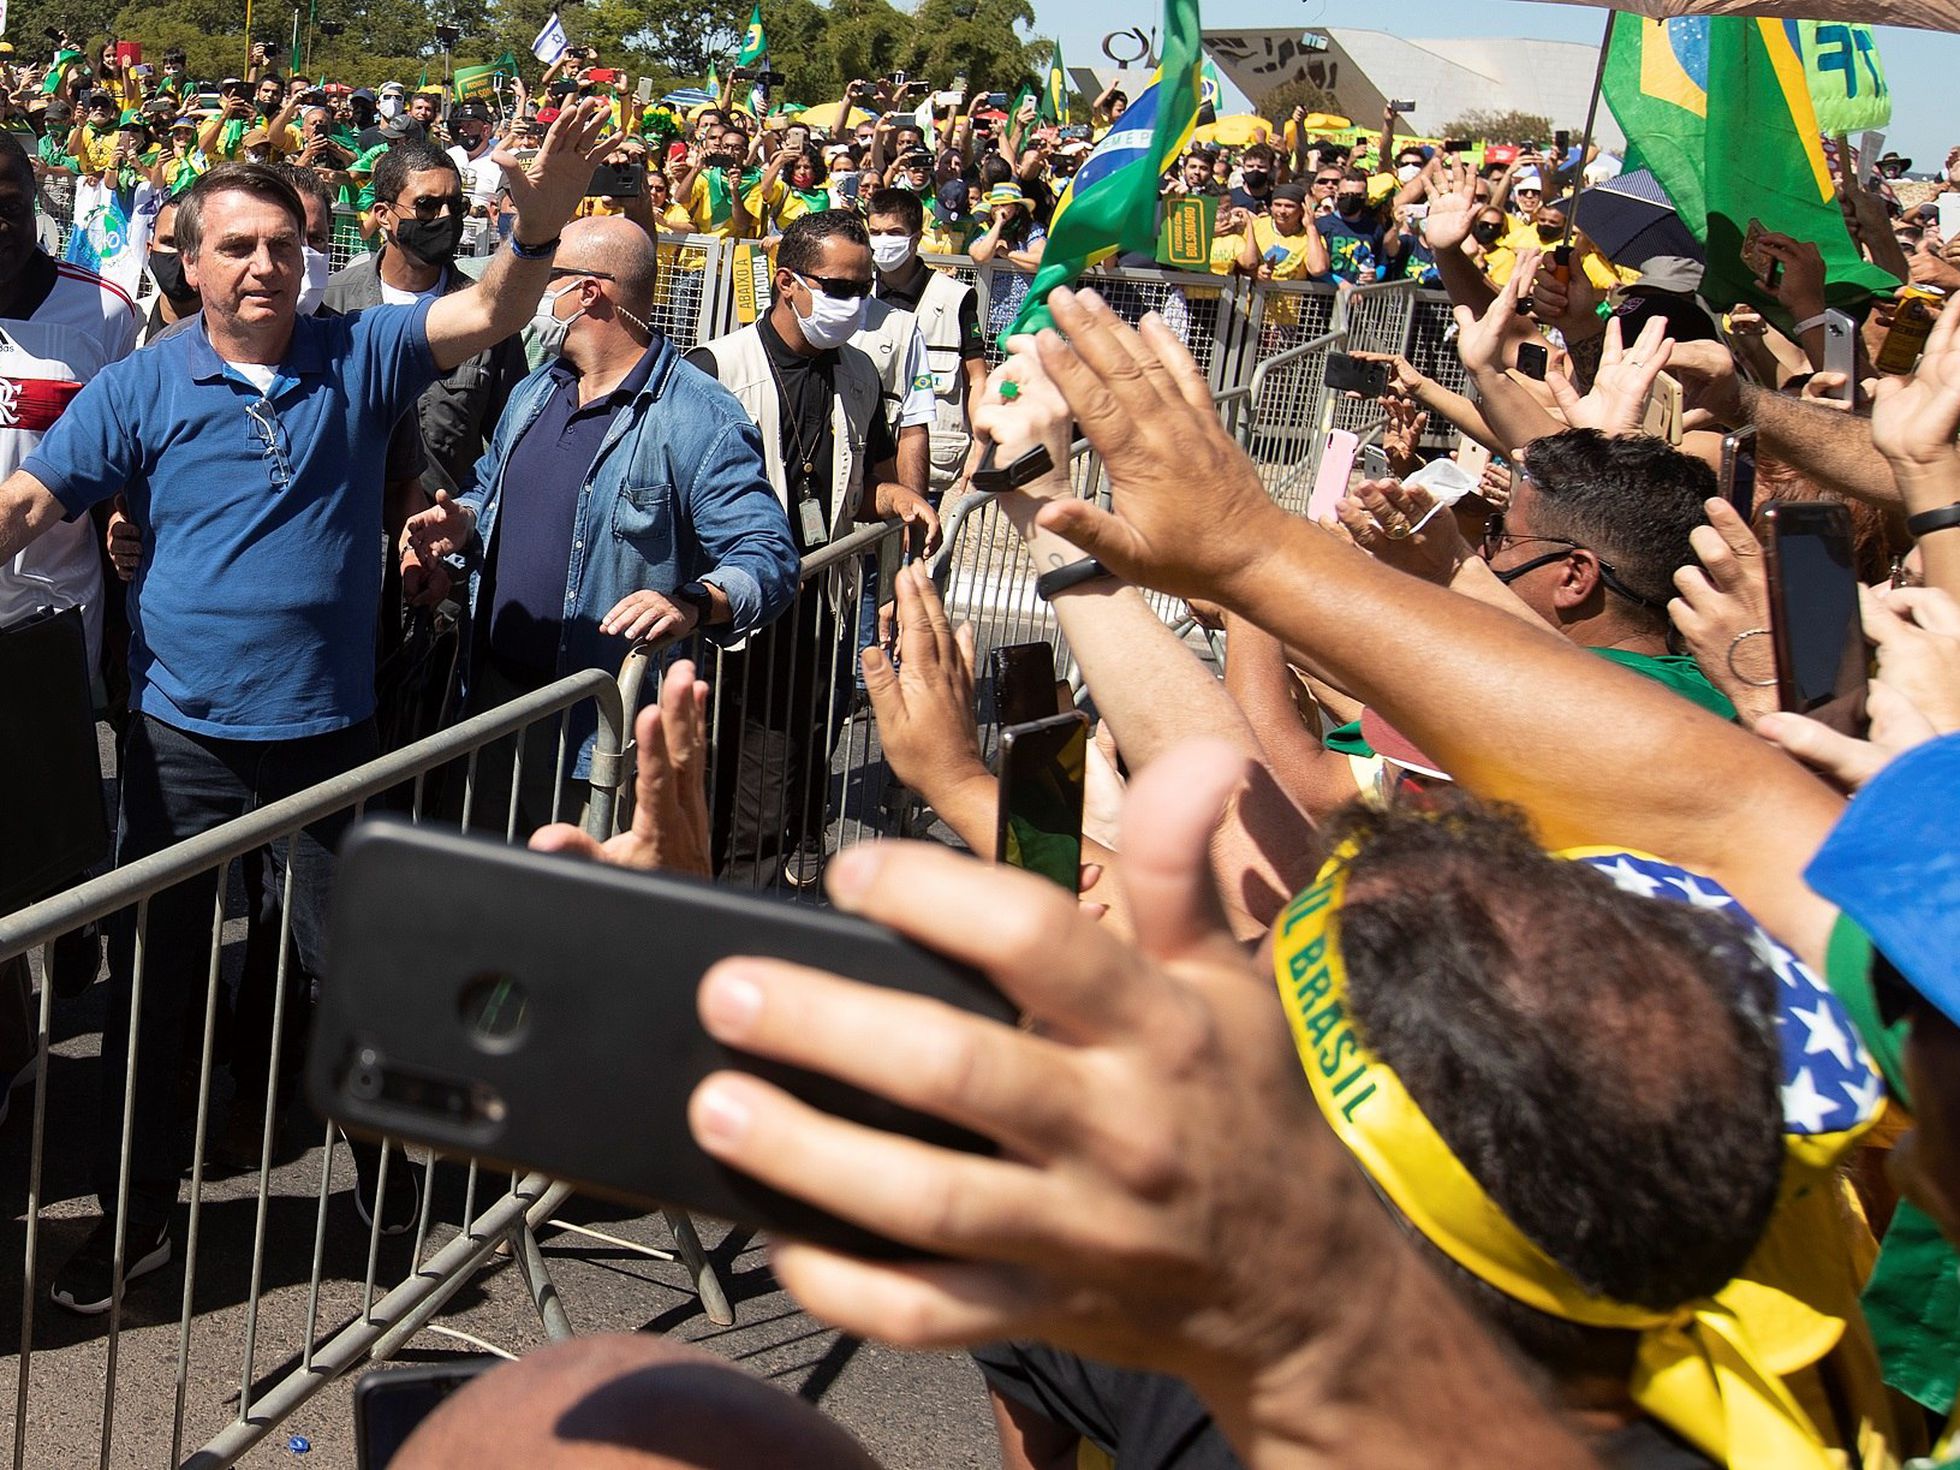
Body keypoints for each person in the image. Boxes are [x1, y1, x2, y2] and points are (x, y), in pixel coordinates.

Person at [0, 100, 614, 1315]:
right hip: (181, 751)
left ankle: (395, 1214)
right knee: (156, 1001)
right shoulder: (138, 384)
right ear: (187, 260)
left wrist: (534, 230)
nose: (264, 265)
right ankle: (136, 1224)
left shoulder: (362, 350)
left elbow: (489, 309)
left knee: (357, 981)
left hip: (332, 742)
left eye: (282, 243)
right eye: (236, 246)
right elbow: (29, 506)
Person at [401, 215, 800, 831]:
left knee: (571, 921)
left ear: (590, 292)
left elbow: (769, 558)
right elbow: (487, 489)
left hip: (596, 739)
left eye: (545, 278)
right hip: (490, 705)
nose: (528, 293)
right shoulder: (538, 390)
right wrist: (464, 522)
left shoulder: (700, 416)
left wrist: (695, 601)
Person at [685, 209, 939, 887]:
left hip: (821, 602)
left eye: (867, 288)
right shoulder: (714, 369)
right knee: (733, 770)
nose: (858, 303)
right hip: (733, 609)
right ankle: (726, 903)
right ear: (787, 281)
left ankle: (766, 884)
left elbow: (868, 484)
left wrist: (899, 501)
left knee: (797, 758)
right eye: (841, 287)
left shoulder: (857, 371)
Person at [324, 140, 529, 499]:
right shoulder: (333, 304)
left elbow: (512, 440)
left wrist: (467, 512)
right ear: (384, 214)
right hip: (351, 537)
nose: (445, 217)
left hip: (442, 537)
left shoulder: (484, 316)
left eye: (456, 204)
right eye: (427, 206)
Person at [864, 187, 985, 498]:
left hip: (928, 457)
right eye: (875, 232)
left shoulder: (955, 297)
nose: (883, 241)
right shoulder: (856, 293)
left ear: (915, 238)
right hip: (865, 454)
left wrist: (980, 446)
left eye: (894, 232)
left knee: (914, 542)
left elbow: (977, 378)